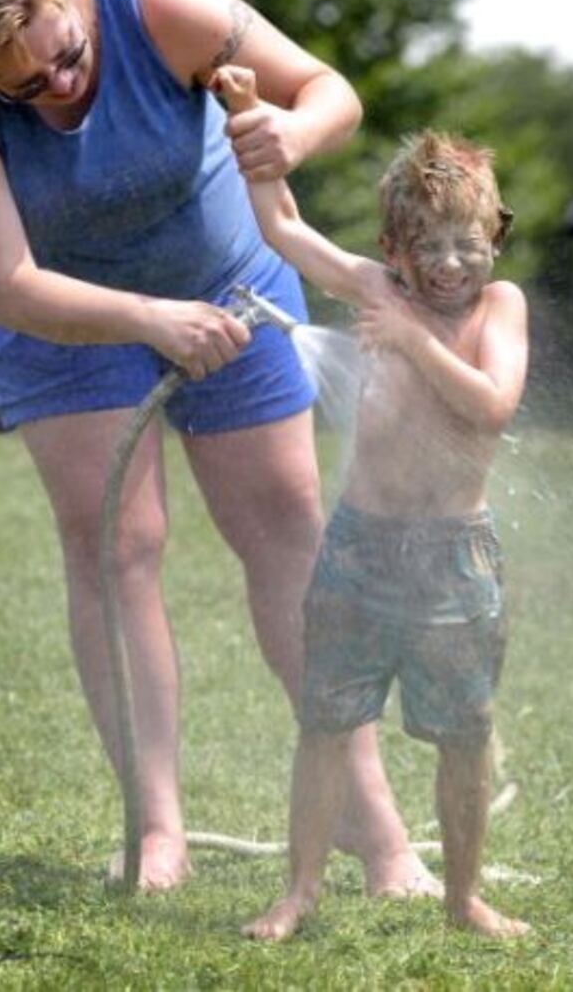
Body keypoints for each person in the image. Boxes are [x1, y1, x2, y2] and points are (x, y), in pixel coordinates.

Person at [0, 0, 438, 894]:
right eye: (25, 87)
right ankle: (157, 832)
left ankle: (376, 830)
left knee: (287, 530)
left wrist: (291, 134)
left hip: (230, 283)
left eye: (67, 57)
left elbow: (328, 91)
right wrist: (145, 319)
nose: (57, 86)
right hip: (63, 314)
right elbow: (7, 283)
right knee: (116, 546)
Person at [211, 66, 530, 938]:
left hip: (455, 557)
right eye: (428, 245)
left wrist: (412, 342)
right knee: (326, 722)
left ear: (495, 236)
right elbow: (282, 227)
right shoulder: (377, 288)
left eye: (466, 242)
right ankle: (300, 891)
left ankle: (463, 897)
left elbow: (492, 404)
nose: (450, 262)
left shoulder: (500, 307)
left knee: (464, 734)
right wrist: (246, 112)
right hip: (361, 548)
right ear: (393, 247)